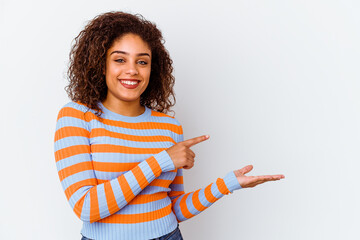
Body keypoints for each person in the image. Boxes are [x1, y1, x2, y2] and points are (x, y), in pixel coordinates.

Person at [54, 11, 285, 240]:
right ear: (100, 63)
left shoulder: (169, 127)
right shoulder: (77, 116)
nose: (132, 70)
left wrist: (226, 185)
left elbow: (174, 208)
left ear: (152, 69)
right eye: (120, 59)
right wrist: (162, 161)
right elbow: (87, 208)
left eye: (142, 61)